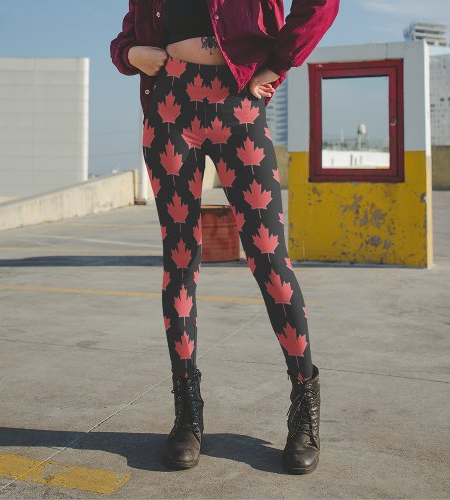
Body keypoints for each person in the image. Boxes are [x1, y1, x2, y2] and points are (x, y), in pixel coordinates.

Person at [110, 0, 340, 474]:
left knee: (270, 260)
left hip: (238, 101)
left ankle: (304, 412)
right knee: (180, 262)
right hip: (170, 107)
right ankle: (187, 416)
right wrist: (133, 56)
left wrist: (277, 64)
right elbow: (127, 37)